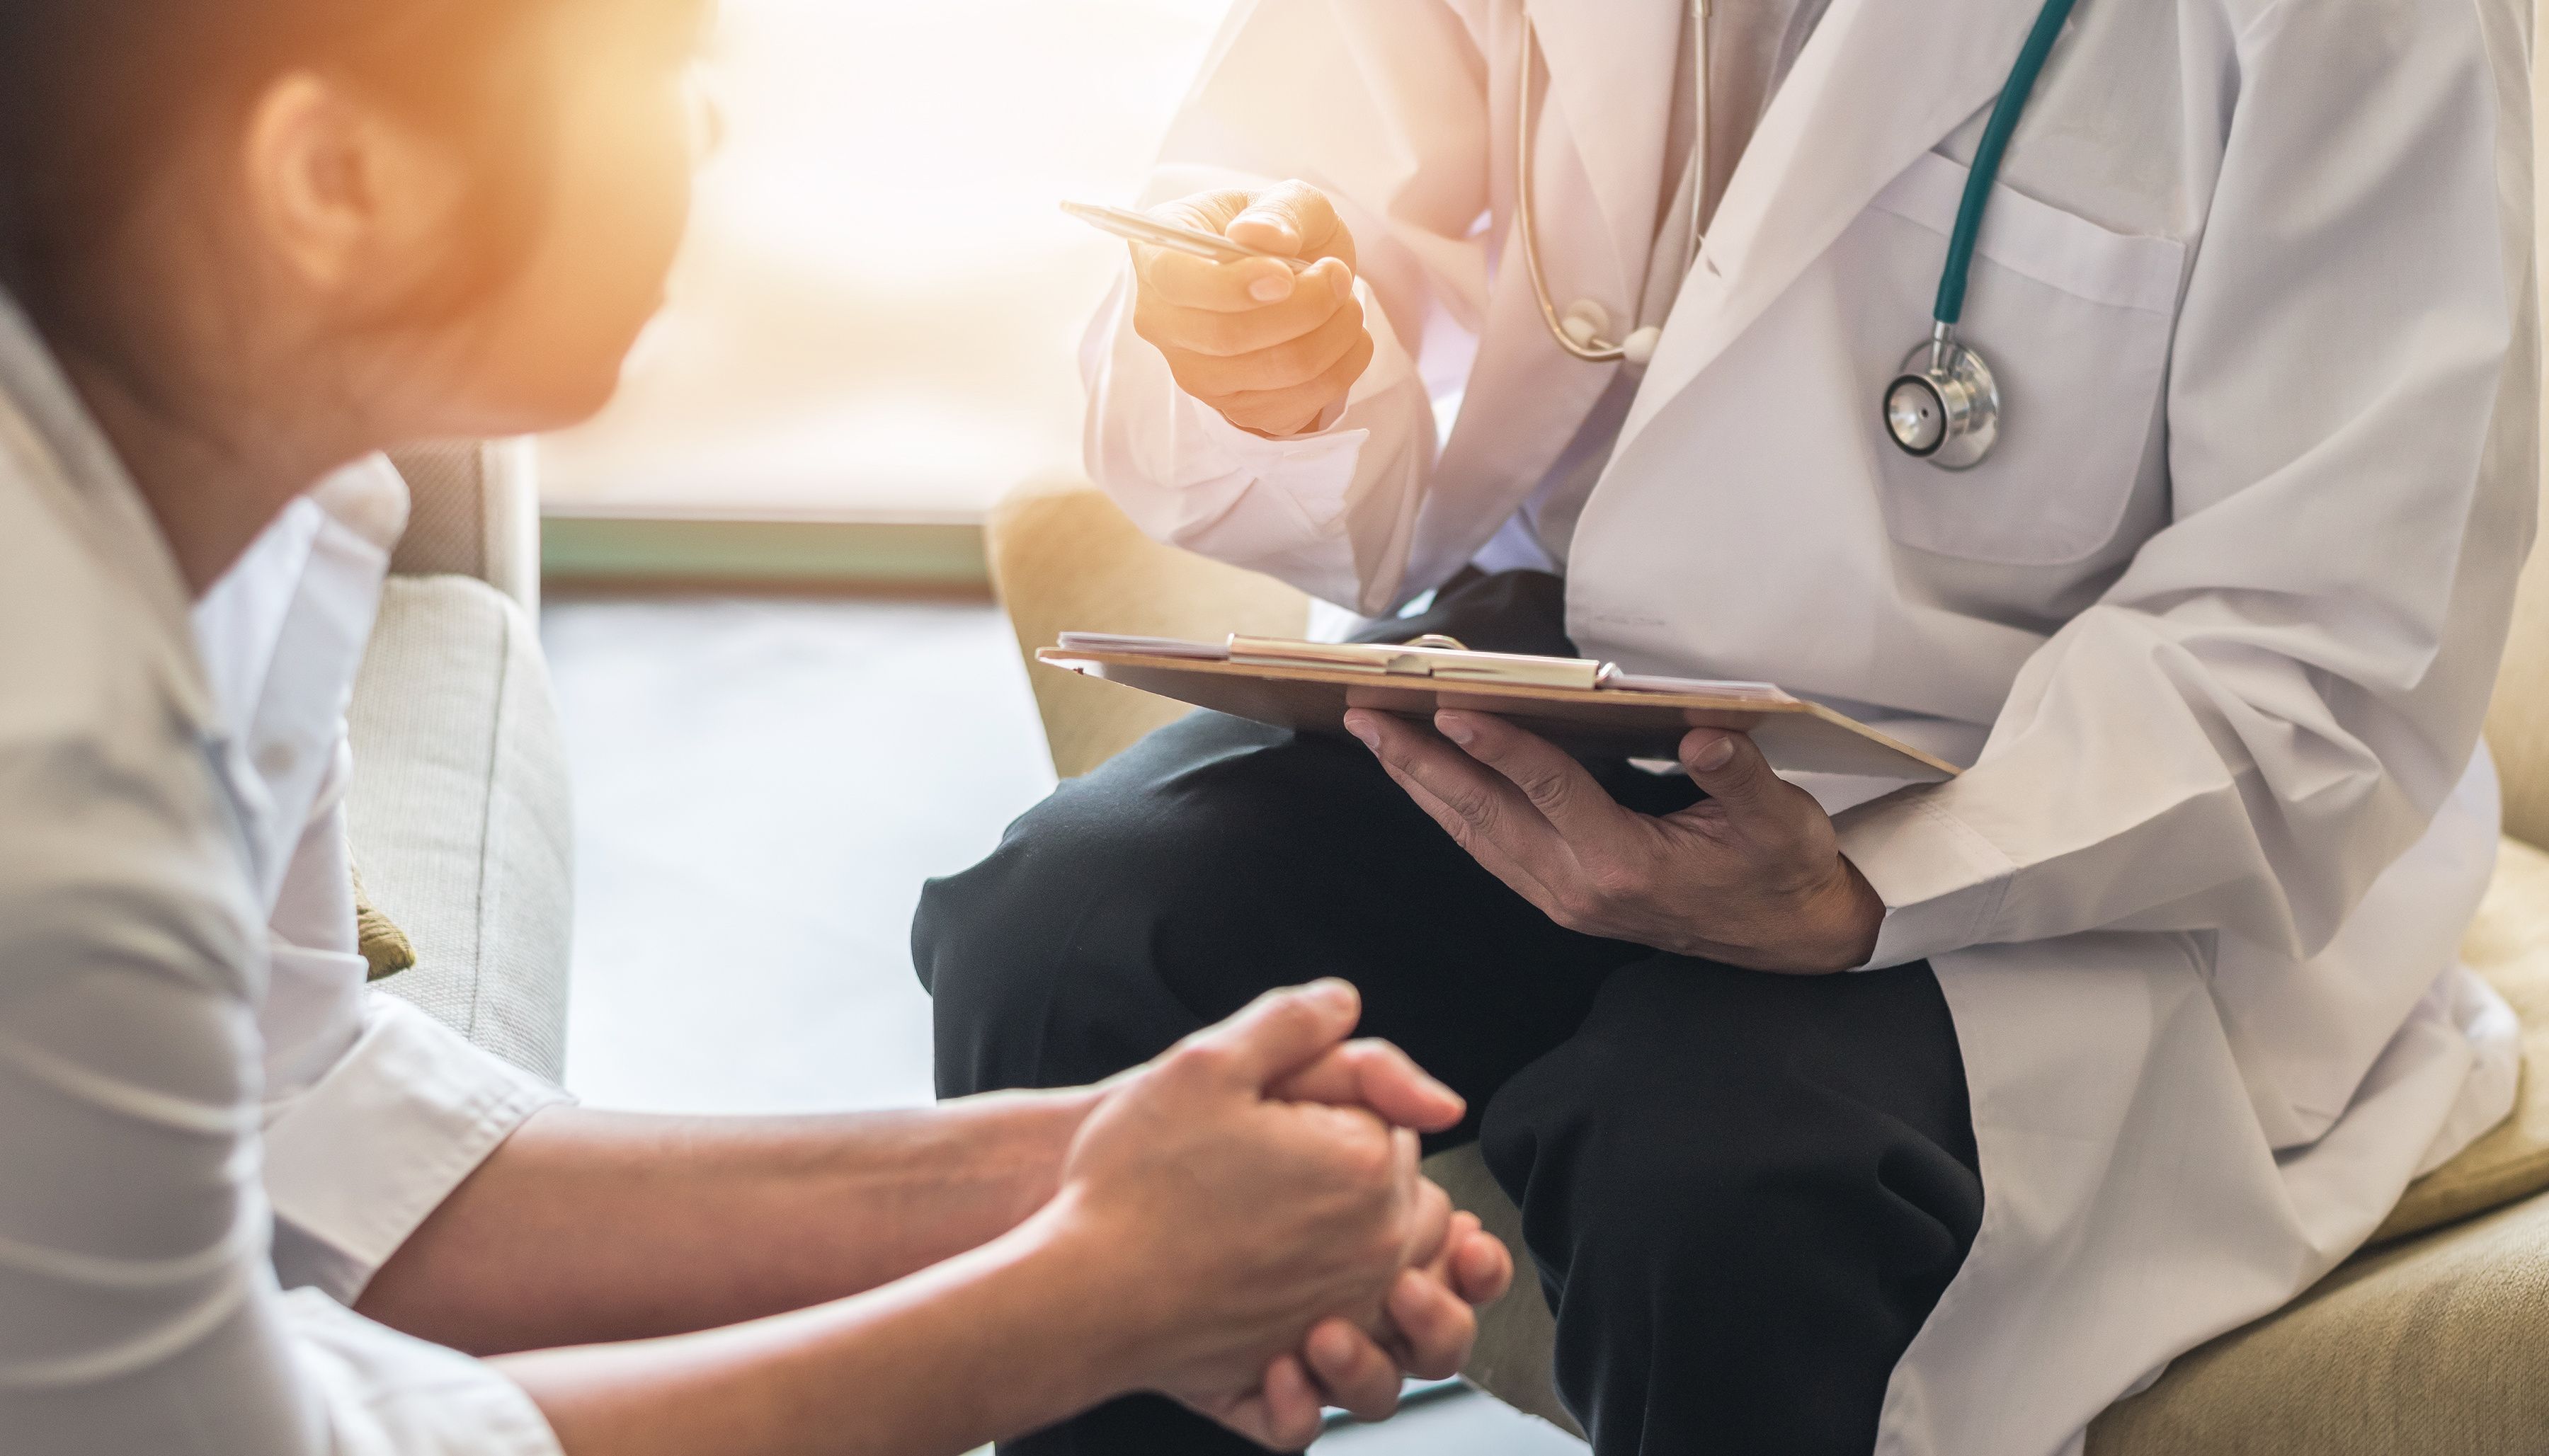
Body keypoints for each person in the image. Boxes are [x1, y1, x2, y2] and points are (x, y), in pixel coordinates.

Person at [920, 1, 2541, 1452]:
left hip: (2064, 788)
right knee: (1072, 940)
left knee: (1716, 1181)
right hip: (1578, 653)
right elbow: (1305, 177)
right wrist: (1269, 348)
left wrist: (1872, 891)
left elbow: (2326, 639)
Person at [0, 2, 1515, 1453]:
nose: (710, 126)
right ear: (336, 180)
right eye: (665, 62)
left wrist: (1074, 1169)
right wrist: (1088, 1303)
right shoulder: (53, 766)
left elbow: (313, 1125)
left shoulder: (273, 512)